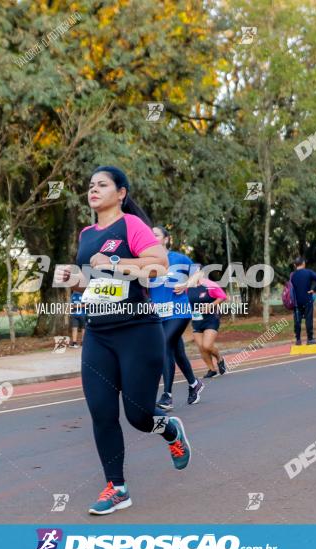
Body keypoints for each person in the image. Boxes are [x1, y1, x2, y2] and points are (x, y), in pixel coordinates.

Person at [55, 165, 191, 516]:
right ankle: (117, 487)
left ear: (121, 193)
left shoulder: (131, 226)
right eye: (90, 185)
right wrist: (73, 279)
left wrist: (115, 261)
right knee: (101, 412)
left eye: (102, 184)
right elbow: (91, 281)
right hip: (98, 333)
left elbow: (158, 266)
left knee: (139, 416)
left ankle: (170, 429)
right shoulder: (86, 234)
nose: (93, 189)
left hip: (137, 330)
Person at [150, 226, 205, 410]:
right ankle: (194, 384)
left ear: (165, 239)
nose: (151, 237)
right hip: (159, 314)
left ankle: (167, 396)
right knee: (177, 351)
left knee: (164, 344)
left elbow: (199, 272)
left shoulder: (178, 258)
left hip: (179, 311)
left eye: (155, 235)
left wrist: (186, 283)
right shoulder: (147, 262)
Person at [186, 273, 228, 378]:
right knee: (201, 347)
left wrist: (211, 305)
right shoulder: (187, 287)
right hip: (196, 320)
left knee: (207, 345)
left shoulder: (209, 284)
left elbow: (222, 296)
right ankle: (211, 369)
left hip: (211, 319)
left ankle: (219, 358)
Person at [289, 257, 316, 345]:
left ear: (295, 265)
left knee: (297, 320)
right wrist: (314, 290)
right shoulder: (308, 272)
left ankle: (298, 340)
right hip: (307, 299)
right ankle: (310, 339)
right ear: (303, 263)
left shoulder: (293, 275)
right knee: (308, 319)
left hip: (297, 302)